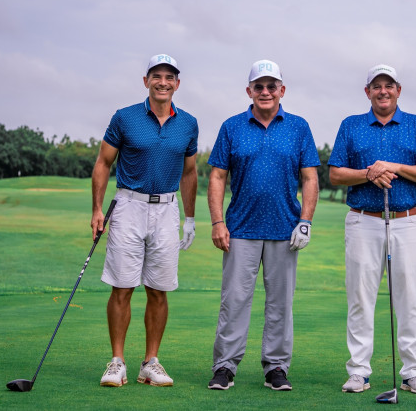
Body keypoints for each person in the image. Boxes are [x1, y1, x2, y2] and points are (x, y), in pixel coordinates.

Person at [207, 59, 320, 392]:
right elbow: (217, 175)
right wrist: (217, 221)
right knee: (235, 301)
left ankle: (276, 368)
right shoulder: (232, 126)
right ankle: (225, 366)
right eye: (260, 86)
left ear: (282, 90)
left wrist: (305, 221)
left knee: (280, 303)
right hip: (240, 227)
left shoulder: (299, 126)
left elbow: (310, 176)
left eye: (272, 86)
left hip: (285, 229)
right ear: (249, 91)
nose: (266, 92)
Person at [328, 64, 416, 395]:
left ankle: (412, 372)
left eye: (388, 85)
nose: (383, 91)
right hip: (364, 220)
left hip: (407, 220)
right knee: (361, 298)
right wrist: (369, 173)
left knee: (409, 298)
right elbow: (335, 174)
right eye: (376, 86)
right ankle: (359, 371)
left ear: (398, 90)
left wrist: (395, 167)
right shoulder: (351, 126)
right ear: (368, 92)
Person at [91, 54, 198, 388]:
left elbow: (191, 171)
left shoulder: (189, 123)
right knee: (122, 286)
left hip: (167, 209)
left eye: (169, 77)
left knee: (159, 289)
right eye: (156, 76)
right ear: (146, 81)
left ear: (177, 84)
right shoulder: (125, 118)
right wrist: (97, 209)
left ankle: (150, 362)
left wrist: (191, 218)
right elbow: (103, 163)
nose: (162, 82)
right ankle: (117, 362)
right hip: (129, 206)